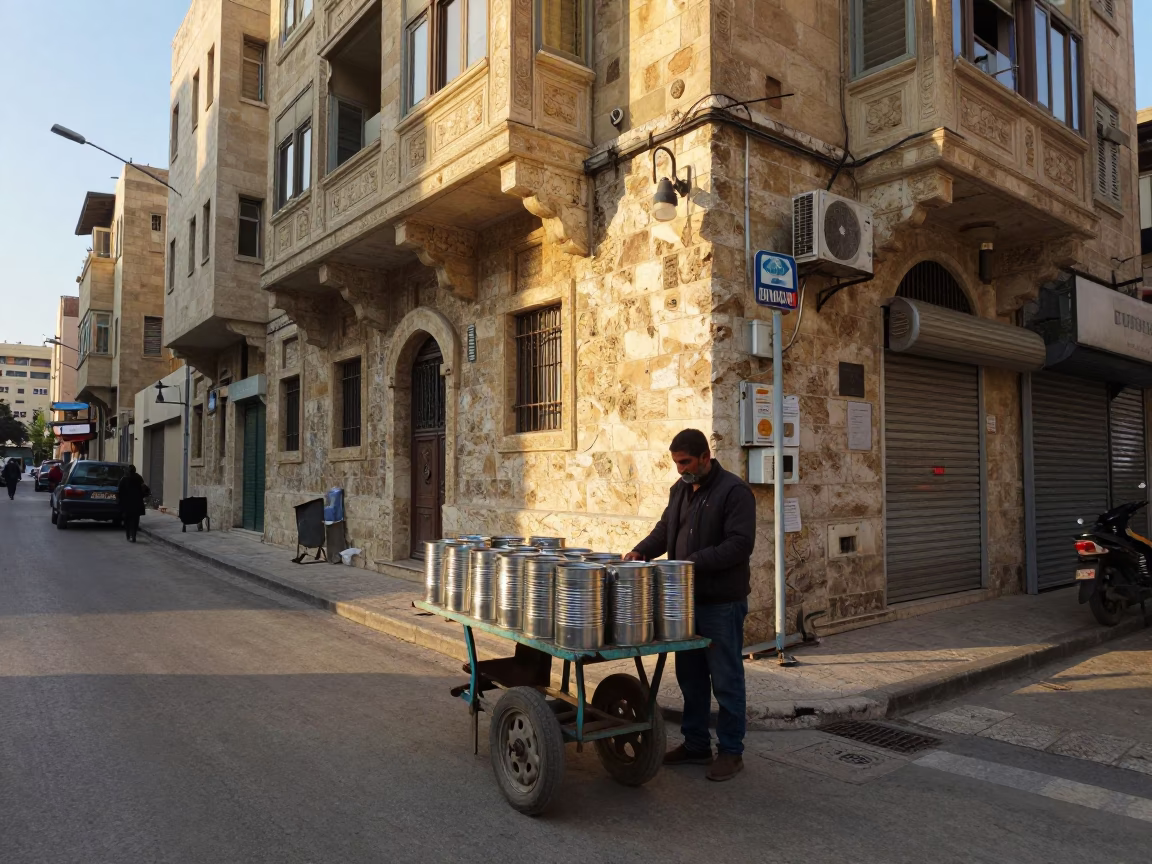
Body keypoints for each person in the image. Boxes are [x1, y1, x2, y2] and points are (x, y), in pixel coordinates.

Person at [625, 429, 756, 782]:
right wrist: (641, 550)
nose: (680, 469)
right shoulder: (680, 491)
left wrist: (695, 561)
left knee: (726, 679)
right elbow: (665, 531)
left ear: (704, 457)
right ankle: (696, 744)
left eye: (685, 462)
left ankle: (731, 751)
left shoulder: (734, 492)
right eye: (676, 463)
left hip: (721, 604)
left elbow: (741, 544)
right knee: (691, 678)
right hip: (684, 605)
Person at [116, 465, 149, 543]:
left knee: (127, 520)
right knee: (135, 520)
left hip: (127, 503)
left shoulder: (124, 479)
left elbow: (120, 491)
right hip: (137, 502)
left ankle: (128, 535)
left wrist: (120, 501)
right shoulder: (139, 478)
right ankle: (133, 535)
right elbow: (144, 489)